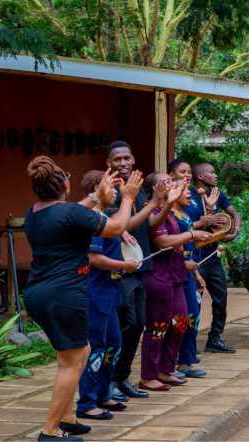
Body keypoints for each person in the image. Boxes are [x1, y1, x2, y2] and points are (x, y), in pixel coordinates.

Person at [22, 156, 139, 441]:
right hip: (64, 294)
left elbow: (72, 212)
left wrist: (95, 196)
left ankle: (65, 416)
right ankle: (50, 430)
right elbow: (116, 226)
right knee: (71, 360)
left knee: (81, 352)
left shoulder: (35, 212)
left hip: (38, 292)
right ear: (65, 183)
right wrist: (127, 197)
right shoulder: (71, 213)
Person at [104, 141, 170, 401]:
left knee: (138, 325)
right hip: (120, 269)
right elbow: (120, 226)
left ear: (133, 160)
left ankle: (122, 378)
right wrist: (153, 201)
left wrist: (163, 204)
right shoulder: (109, 190)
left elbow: (148, 223)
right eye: (117, 159)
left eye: (127, 158)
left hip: (141, 265)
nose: (123, 163)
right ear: (108, 163)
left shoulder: (137, 187)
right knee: (124, 324)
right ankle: (107, 380)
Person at [139, 173, 210, 391]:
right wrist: (192, 234)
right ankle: (148, 375)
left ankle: (166, 368)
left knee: (180, 322)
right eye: (166, 182)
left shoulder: (171, 211)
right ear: (154, 189)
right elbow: (162, 241)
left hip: (176, 275)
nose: (172, 184)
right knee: (158, 327)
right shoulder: (153, 211)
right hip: (159, 276)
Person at [76, 171, 137, 421]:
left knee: (114, 344)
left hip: (109, 294)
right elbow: (93, 258)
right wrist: (123, 266)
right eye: (112, 188)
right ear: (97, 189)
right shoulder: (91, 220)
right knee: (96, 347)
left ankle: (103, 392)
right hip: (95, 292)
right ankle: (87, 401)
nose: (115, 193)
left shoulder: (105, 218)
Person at [188, 162, 242, 354]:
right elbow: (189, 226)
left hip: (212, 255)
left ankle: (215, 338)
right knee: (195, 300)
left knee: (221, 297)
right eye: (211, 172)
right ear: (200, 177)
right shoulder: (189, 197)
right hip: (196, 256)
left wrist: (234, 230)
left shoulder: (218, 194)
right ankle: (188, 344)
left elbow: (235, 214)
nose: (215, 175)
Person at [167, 159, 211, 377]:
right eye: (182, 174)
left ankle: (186, 360)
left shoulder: (185, 214)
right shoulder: (168, 216)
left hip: (190, 269)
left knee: (192, 316)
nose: (188, 191)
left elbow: (191, 244)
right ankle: (168, 363)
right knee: (177, 320)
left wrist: (195, 271)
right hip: (175, 272)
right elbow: (168, 245)